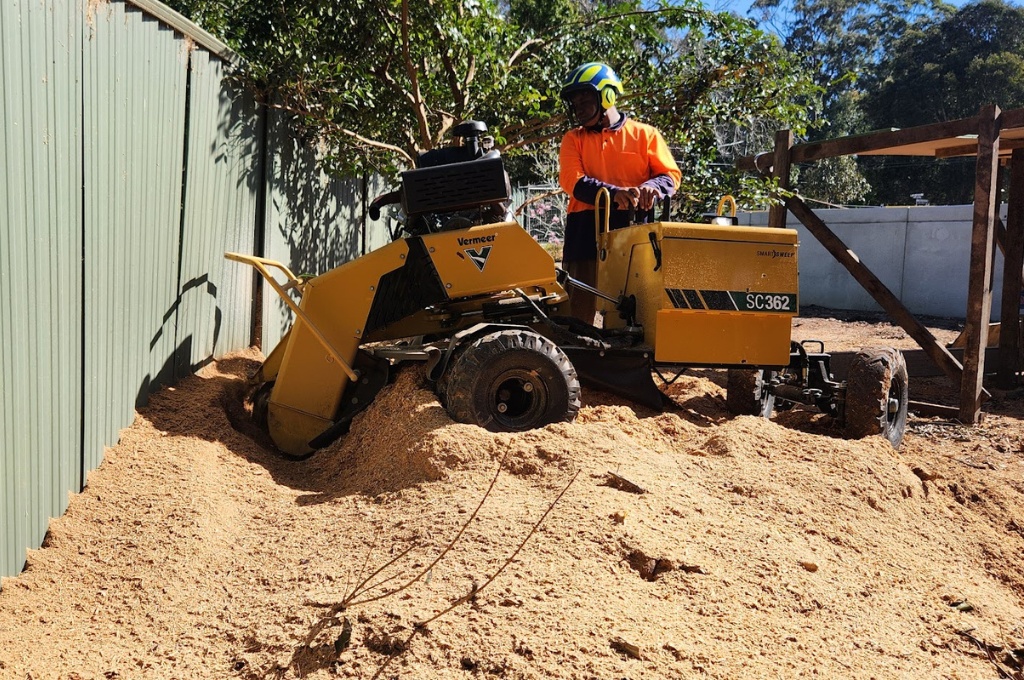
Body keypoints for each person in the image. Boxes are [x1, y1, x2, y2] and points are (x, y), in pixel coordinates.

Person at [557, 62, 681, 324]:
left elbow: (670, 175)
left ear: (608, 95)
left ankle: (630, 362)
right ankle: (577, 360)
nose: (578, 107)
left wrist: (652, 189)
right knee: (576, 310)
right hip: (584, 232)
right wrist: (615, 194)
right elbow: (573, 182)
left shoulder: (645, 135)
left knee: (636, 307)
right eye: (575, 102)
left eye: (585, 98)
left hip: (635, 233)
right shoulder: (573, 139)